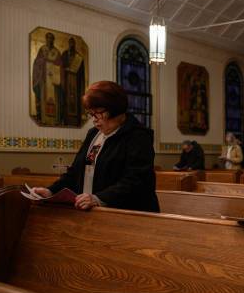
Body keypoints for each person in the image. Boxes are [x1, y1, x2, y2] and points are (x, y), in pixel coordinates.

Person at [32, 81, 159, 212]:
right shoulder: (94, 134)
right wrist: (51, 191)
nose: (94, 119)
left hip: (130, 214)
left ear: (115, 109)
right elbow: (76, 172)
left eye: (98, 113)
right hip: (92, 212)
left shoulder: (138, 136)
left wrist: (99, 198)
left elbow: (136, 180)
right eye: (91, 114)